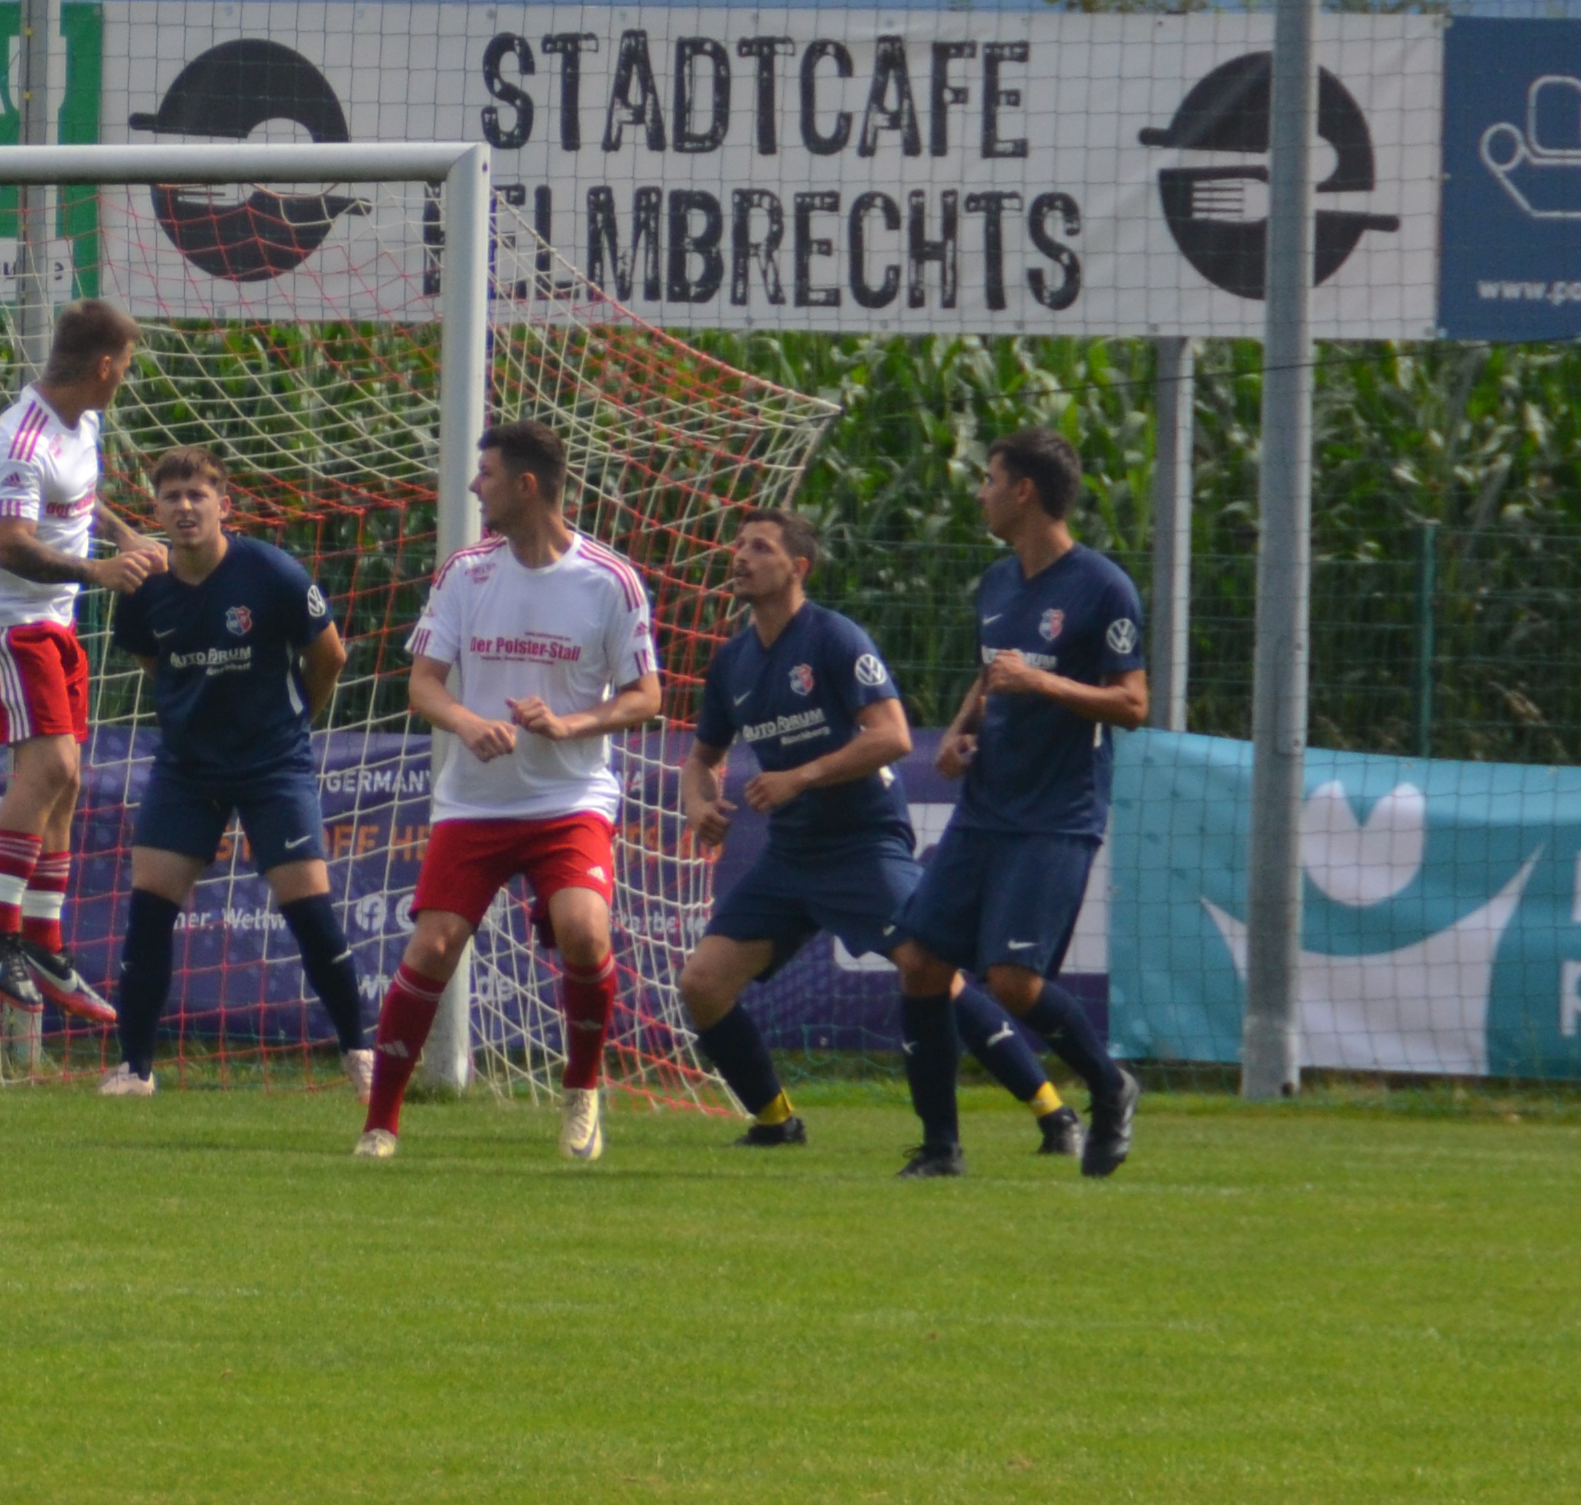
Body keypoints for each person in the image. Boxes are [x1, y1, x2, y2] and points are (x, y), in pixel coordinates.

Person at [676, 508, 1076, 1156]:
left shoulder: (834, 639)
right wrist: (699, 803)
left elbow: (890, 736)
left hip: (863, 845)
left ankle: (1053, 1112)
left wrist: (800, 777)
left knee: (929, 968)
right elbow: (702, 759)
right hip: (792, 856)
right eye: (738, 545)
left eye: (759, 547)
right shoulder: (734, 662)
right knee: (702, 982)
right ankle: (776, 1122)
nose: (739, 556)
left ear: (797, 569)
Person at [356, 421, 668, 1166]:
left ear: (527, 487)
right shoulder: (467, 572)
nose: (474, 487)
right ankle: (380, 1124)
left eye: (486, 474)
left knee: (586, 934)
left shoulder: (609, 579)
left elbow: (646, 695)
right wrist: (467, 722)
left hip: (570, 800)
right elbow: (423, 685)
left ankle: (582, 1096)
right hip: (477, 802)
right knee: (432, 947)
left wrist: (569, 725)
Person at [889, 429, 1146, 1180]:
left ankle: (1109, 1086)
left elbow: (1132, 704)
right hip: (986, 807)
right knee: (920, 962)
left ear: (1023, 491)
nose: (980, 492)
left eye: (990, 478)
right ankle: (941, 1149)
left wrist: (1042, 685)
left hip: (1056, 814)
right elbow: (992, 672)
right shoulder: (998, 583)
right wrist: (959, 733)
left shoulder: (1103, 588)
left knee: (1013, 983)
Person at [98, 447, 364, 1099]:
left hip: (274, 764)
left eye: (198, 495)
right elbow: (151, 660)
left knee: (307, 909)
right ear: (156, 509)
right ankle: (134, 1069)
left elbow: (328, 654)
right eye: (172, 497)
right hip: (187, 767)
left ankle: (361, 1050)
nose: (185, 507)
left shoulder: (271, 572)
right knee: (149, 909)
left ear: (225, 505)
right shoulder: (143, 589)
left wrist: (298, 720)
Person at [0, 301, 162, 1027]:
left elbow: (80, 498)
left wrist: (124, 531)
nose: (124, 381)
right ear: (103, 366)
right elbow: (11, 545)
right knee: (50, 771)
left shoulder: (84, 423)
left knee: (69, 782)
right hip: (10, 624)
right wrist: (101, 572)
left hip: (54, 622)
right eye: (126, 369)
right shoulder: (19, 441)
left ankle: (42, 941)